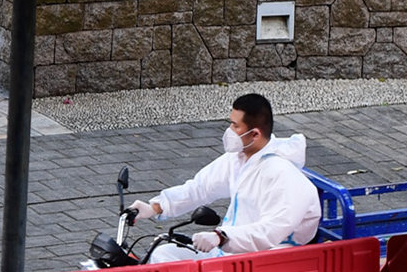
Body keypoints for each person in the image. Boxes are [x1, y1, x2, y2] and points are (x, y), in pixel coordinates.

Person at [128, 93, 320, 259]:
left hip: (260, 262)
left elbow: (272, 230)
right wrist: (156, 207)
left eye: (235, 126)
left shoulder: (284, 175)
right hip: (228, 252)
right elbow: (200, 188)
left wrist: (222, 236)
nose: (229, 131)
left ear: (254, 134)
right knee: (163, 254)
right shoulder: (239, 159)